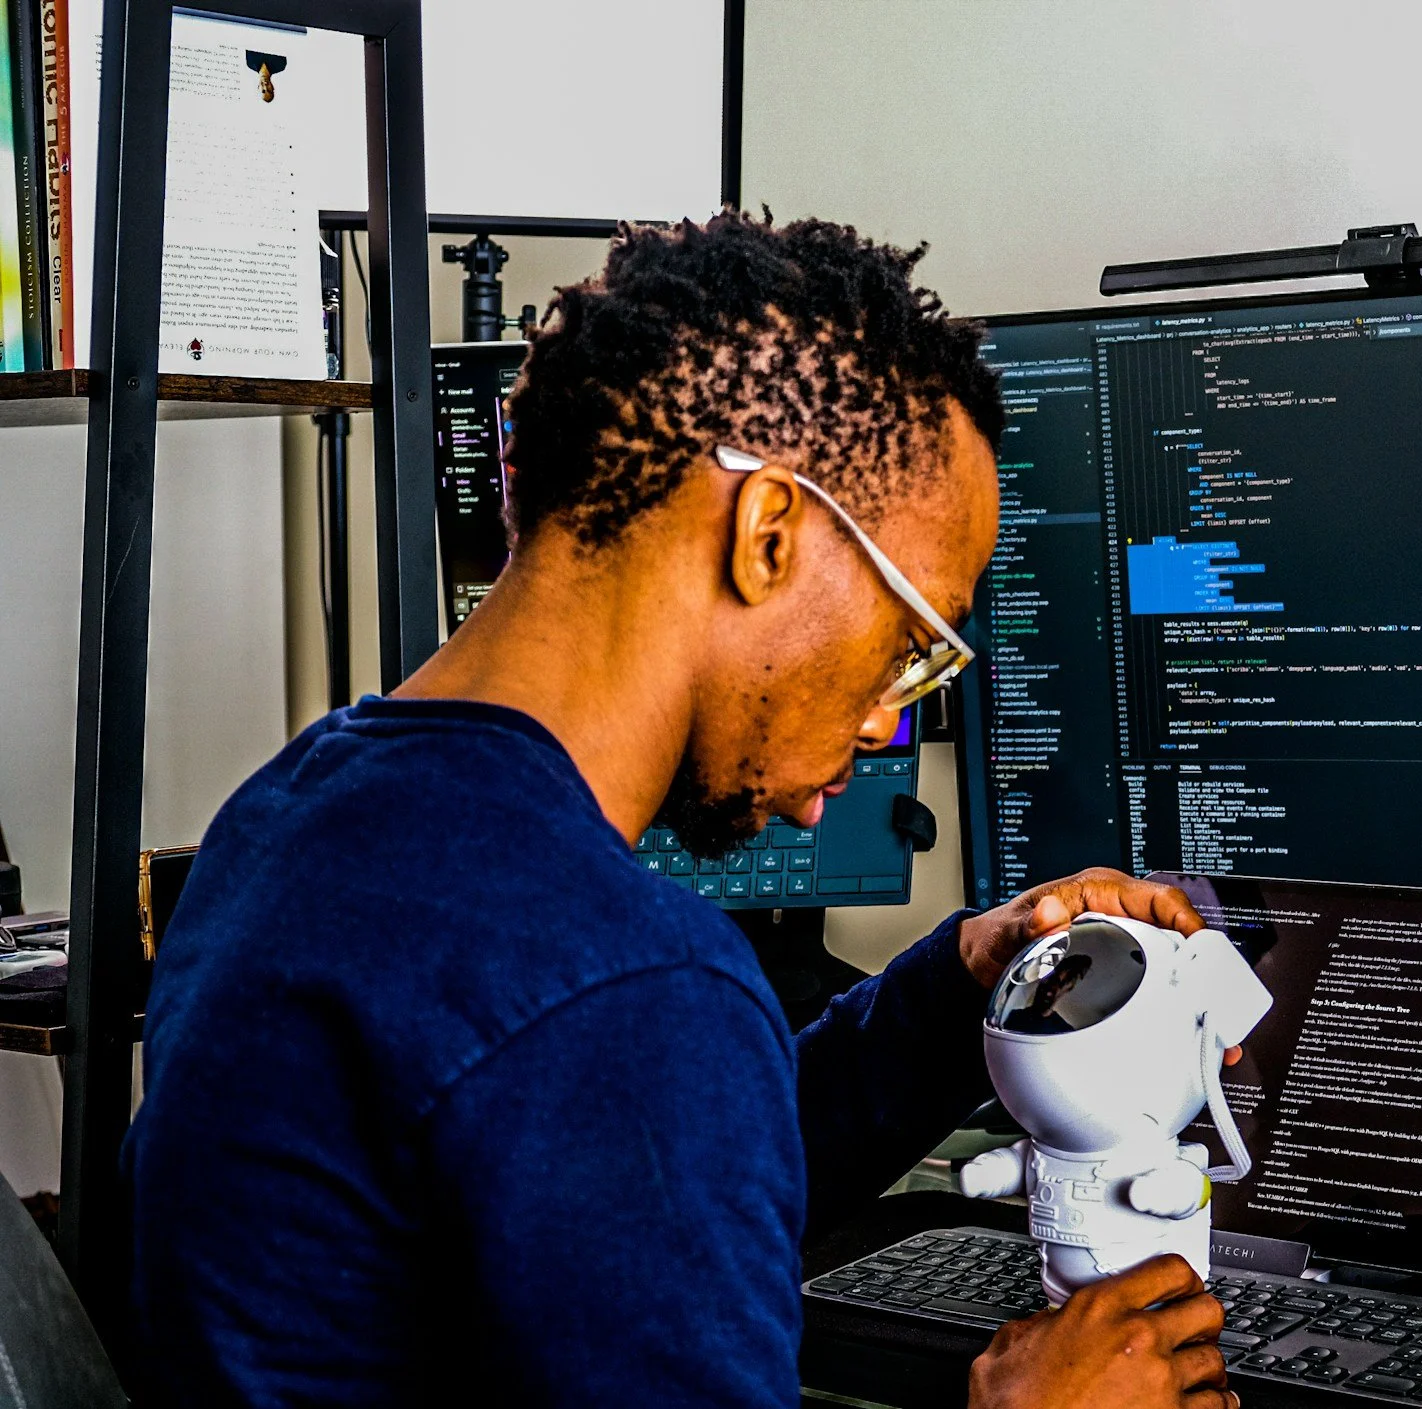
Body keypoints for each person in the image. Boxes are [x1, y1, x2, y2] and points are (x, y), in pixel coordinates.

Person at [127, 213, 1234, 1408]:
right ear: (765, 535)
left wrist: (952, 988)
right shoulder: (620, 982)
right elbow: (613, 1078)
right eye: (908, 643)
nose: (881, 724)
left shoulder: (297, 806)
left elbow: (618, 1190)